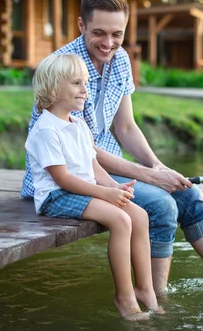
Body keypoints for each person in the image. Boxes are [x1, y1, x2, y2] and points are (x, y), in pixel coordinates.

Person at [21, 0, 203, 294]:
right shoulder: (63, 70)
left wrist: (160, 167)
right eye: (99, 33)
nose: (109, 44)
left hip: (105, 168)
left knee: (188, 195)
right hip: (71, 174)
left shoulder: (120, 60)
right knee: (162, 205)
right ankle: (154, 297)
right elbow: (85, 150)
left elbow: (126, 127)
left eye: (117, 34)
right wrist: (149, 176)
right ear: (81, 25)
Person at [26, 53, 160, 320]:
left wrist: (115, 188)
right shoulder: (46, 130)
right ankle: (124, 298)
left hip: (83, 188)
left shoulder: (78, 124)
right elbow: (62, 179)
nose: (85, 90)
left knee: (139, 215)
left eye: (85, 83)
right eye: (77, 83)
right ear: (53, 88)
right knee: (121, 220)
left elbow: (93, 166)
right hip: (57, 196)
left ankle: (145, 290)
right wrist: (105, 194)